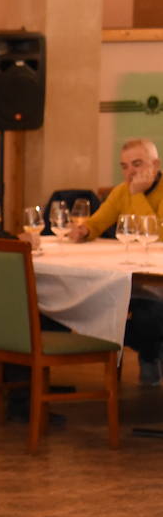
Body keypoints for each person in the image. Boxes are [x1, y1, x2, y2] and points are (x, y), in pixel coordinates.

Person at [67, 137, 163, 384]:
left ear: (156, 164)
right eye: (124, 166)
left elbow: (156, 236)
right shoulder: (122, 191)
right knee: (97, 305)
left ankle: (150, 353)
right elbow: (99, 221)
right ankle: (152, 348)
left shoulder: (139, 191)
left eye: (137, 164)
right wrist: (85, 230)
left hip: (158, 279)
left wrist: (137, 195)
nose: (130, 172)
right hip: (131, 276)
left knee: (151, 314)